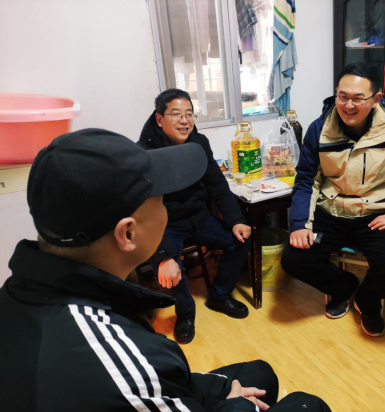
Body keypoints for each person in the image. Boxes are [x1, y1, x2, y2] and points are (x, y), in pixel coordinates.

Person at [0, 129, 331, 412]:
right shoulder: (121, 358)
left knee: (260, 373)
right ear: (128, 234)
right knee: (308, 404)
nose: (165, 206)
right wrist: (237, 405)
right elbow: (141, 383)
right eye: (160, 199)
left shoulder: (24, 293)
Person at [281, 62, 385, 337]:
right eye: (343, 96)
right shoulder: (319, 128)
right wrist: (299, 224)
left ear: (376, 99)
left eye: (358, 98)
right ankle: (343, 287)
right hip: (331, 211)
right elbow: (306, 179)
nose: (348, 105)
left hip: (376, 214)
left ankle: (367, 301)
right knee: (294, 259)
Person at [138, 89, 251, 344]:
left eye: (189, 114)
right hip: (165, 224)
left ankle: (219, 296)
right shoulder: (144, 153)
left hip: (199, 217)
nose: (185, 121)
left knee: (240, 239)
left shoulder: (199, 143)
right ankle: (185, 313)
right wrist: (164, 256)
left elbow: (217, 184)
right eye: (176, 114)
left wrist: (236, 221)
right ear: (159, 119)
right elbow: (144, 211)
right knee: (168, 269)